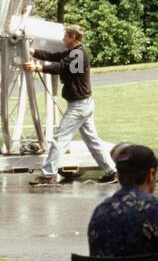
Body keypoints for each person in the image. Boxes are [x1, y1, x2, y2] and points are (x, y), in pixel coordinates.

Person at [23, 24, 117, 186]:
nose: (63, 39)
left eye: (65, 36)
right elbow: (57, 57)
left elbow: (61, 67)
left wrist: (38, 68)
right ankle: (111, 172)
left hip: (79, 106)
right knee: (92, 141)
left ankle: (47, 175)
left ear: (73, 38)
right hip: (83, 104)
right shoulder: (75, 52)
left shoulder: (78, 55)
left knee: (60, 140)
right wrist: (34, 52)